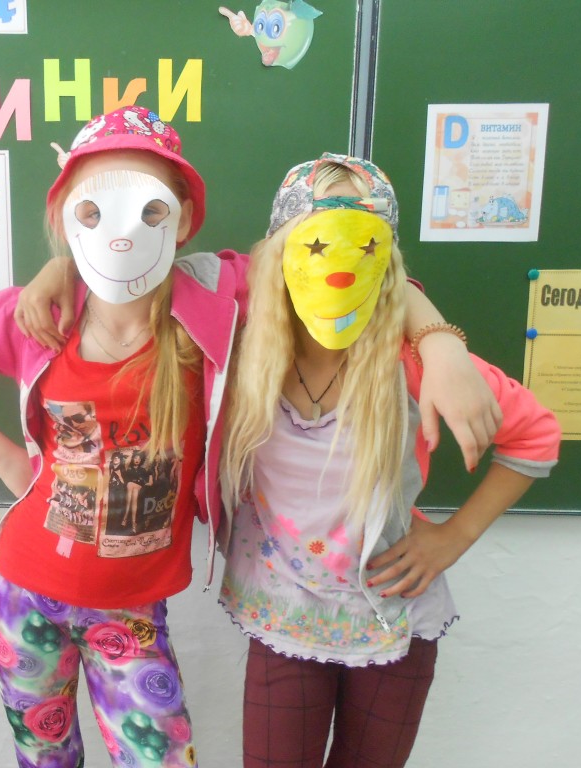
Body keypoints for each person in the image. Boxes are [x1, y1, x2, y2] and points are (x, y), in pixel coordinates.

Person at [0, 105, 498, 768]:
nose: (122, 231)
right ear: (66, 216)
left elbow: (347, 264)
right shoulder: (38, 316)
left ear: (181, 219)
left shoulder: (215, 300)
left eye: (149, 210)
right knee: (45, 757)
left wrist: (440, 342)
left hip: (130, 609)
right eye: (92, 210)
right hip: (23, 591)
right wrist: (4, 456)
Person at [217, 152, 562, 768]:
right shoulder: (241, 346)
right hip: (283, 615)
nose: (338, 266)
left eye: (364, 244)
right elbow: (147, 272)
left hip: (390, 620)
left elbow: (535, 435)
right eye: (317, 243)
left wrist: (453, 537)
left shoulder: (410, 365)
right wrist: (58, 272)